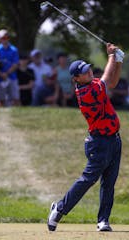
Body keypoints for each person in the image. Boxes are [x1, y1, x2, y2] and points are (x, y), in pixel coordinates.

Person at [47, 43, 124, 232]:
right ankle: (59, 208)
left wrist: (119, 60)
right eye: (84, 71)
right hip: (99, 143)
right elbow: (107, 79)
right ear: (76, 78)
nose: (89, 71)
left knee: (109, 183)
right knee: (88, 180)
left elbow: (112, 83)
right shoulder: (86, 92)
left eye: (88, 68)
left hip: (114, 140)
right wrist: (112, 57)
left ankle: (103, 220)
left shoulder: (93, 84)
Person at [0, 29, 20, 106]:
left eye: (7, 37)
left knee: (15, 98)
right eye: (3, 38)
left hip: (12, 77)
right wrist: (1, 74)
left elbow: (15, 64)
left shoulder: (14, 50)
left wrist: (6, 73)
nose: (5, 39)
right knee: (1, 100)